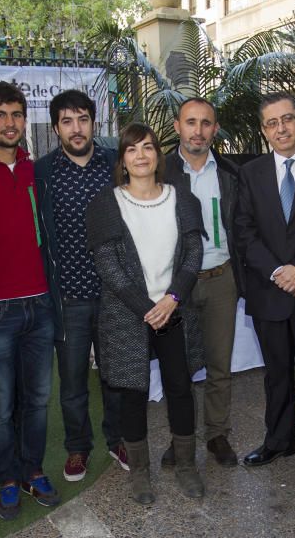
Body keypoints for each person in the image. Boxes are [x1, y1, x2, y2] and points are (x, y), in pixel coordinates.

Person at [86, 123, 205, 505]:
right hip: (127, 314)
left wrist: (171, 299)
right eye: (132, 149)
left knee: (180, 388)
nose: (141, 155)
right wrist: (147, 308)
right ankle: (139, 472)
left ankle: (185, 464)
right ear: (122, 159)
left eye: (148, 147)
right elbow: (108, 266)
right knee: (132, 394)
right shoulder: (107, 203)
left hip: (174, 309)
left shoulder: (182, 198)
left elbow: (193, 255)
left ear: (158, 155)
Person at [0, 81, 60, 520]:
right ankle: (6, 478)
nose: (10, 123)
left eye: (17, 115)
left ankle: (32, 470)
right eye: (0, 115)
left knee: (37, 400)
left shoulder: (34, 170)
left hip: (39, 305)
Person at [234, 92, 295, 482]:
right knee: (275, 373)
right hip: (270, 289)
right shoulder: (251, 172)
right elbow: (243, 231)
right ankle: (278, 441)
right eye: (272, 123)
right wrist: (278, 270)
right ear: (263, 130)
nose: (281, 128)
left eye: (287, 119)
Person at [35, 90, 127, 483]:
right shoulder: (43, 172)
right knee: (72, 382)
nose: (77, 128)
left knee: (114, 376)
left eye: (83, 119)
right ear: (56, 128)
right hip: (68, 297)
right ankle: (78, 448)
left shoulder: (114, 165)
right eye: (67, 121)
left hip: (113, 295)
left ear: (94, 122)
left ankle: (118, 439)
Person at [163, 98, 242, 468]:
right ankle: (181, 438)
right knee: (178, 368)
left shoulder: (229, 171)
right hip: (177, 282)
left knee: (218, 363)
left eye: (206, 123)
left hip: (222, 277)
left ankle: (217, 434)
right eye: (191, 122)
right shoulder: (160, 171)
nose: (198, 130)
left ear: (215, 128)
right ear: (177, 126)